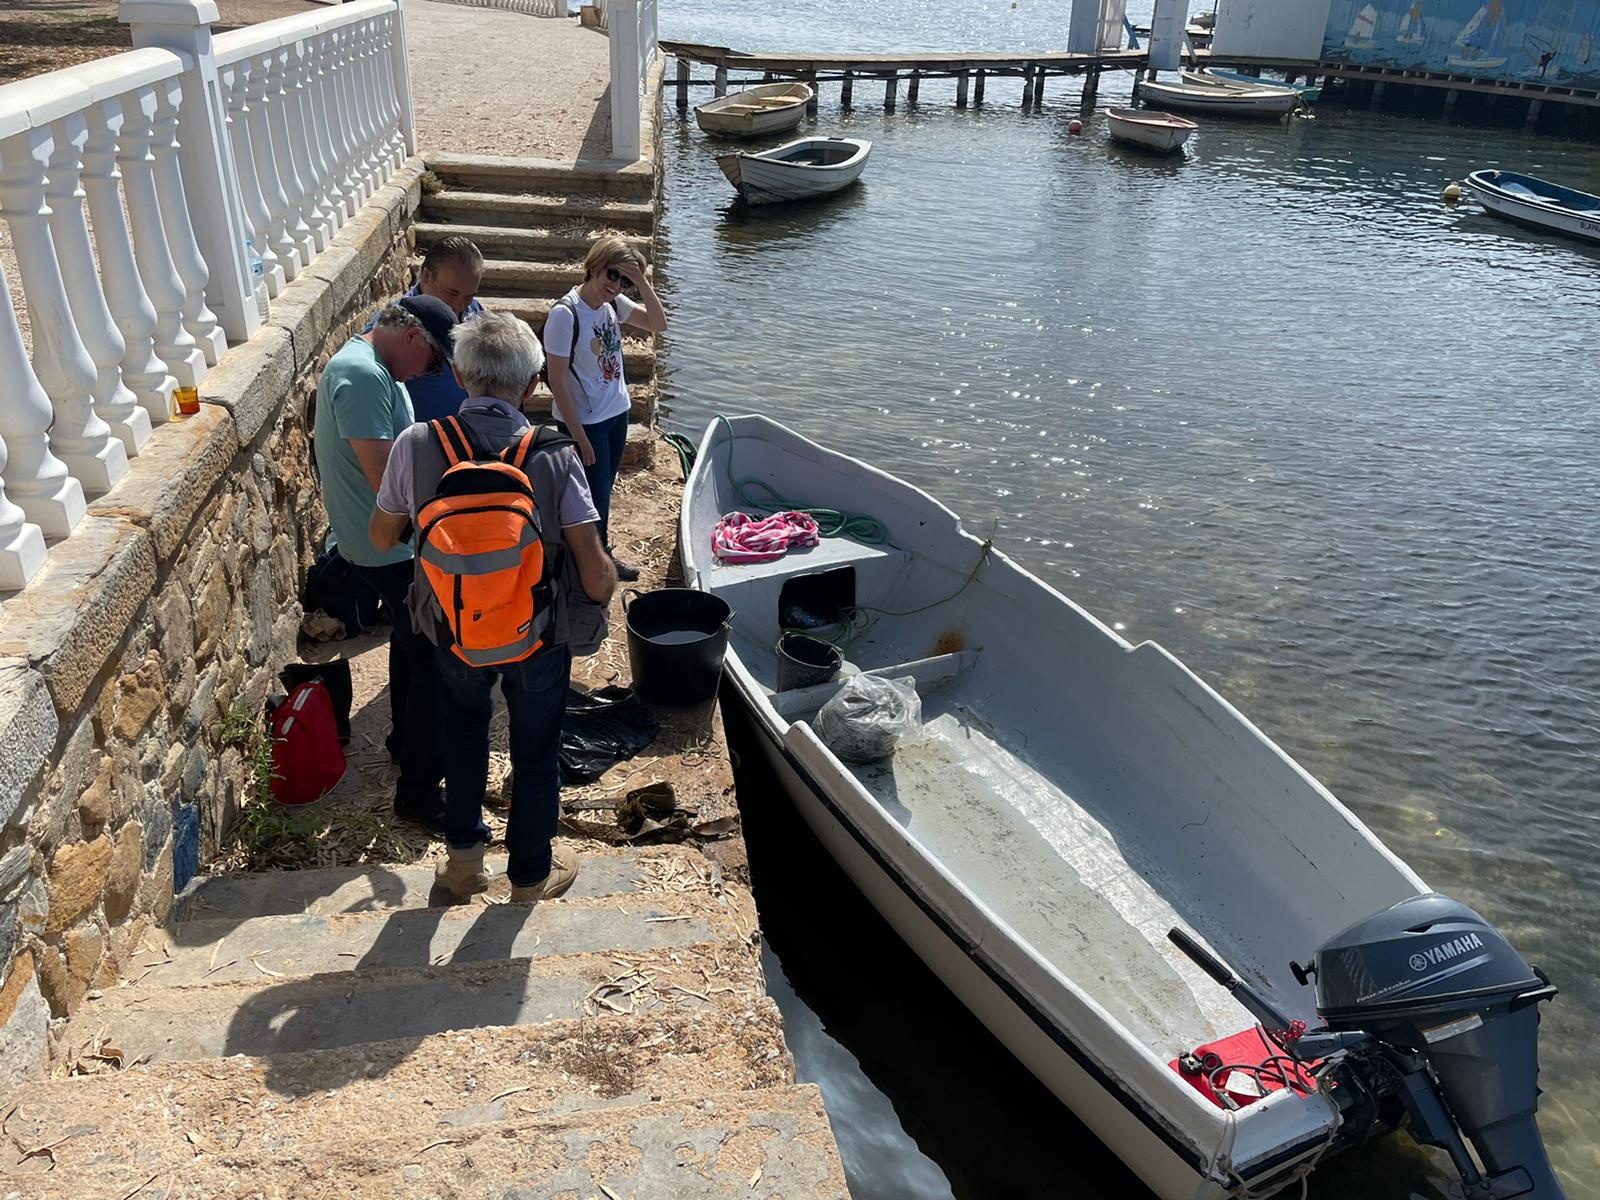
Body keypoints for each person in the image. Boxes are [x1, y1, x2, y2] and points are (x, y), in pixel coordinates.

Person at [369, 311, 617, 901]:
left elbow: (381, 538)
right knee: (534, 752)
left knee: (463, 734)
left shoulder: (417, 443)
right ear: (533, 384)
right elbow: (594, 571)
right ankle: (530, 876)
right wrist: (605, 588)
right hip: (536, 632)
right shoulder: (555, 455)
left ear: (457, 374)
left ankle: (462, 867)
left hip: (454, 630)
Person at [313, 295, 460, 831]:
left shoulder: (377, 369)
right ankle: (419, 795)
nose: (434, 372)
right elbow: (387, 489)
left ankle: (403, 744)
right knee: (431, 664)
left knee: (408, 640)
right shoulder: (362, 375)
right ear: (414, 339)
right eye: (437, 360)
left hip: (385, 543)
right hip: (388, 548)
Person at [542, 235, 666, 583]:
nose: (617, 285)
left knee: (603, 493)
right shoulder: (565, 315)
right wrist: (579, 437)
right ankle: (591, 566)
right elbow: (557, 380)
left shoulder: (614, 304)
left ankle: (598, 557)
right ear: (595, 266)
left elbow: (658, 324)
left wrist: (641, 282)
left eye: (624, 280)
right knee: (590, 499)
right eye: (613, 275)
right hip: (586, 422)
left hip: (615, 413)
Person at [366, 235, 485, 422]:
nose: (460, 305)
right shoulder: (390, 327)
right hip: (424, 442)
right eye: (452, 293)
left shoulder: (474, 311)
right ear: (426, 276)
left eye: (469, 296)